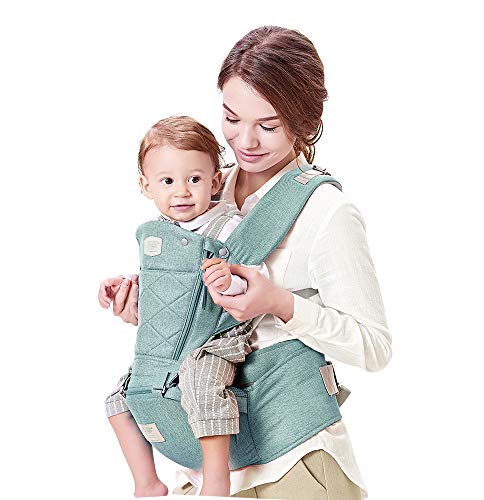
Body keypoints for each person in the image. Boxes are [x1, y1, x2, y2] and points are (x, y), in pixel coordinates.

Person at [100, 26, 392, 499]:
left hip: (295, 462)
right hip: (203, 469)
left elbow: (374, 348)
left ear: (305, 122)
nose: (246, 140)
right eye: (232, 118)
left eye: (268, 125)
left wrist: (279, 303)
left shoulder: (325, 211)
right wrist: (149, 307)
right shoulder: (201, 185)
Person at [100, 115, 267, 497]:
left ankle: (216, 480)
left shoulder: (226, 227)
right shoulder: (158, 234)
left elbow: (255, 276)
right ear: (146, 186)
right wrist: (127, 288)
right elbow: (164, 289)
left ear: (215, 181)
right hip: (168, 345)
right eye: (167, 181)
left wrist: (230, 281)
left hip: (217, 336)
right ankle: (147, 482)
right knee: (120, 398)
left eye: (194, 179)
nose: (182, 192)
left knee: (200, 382)